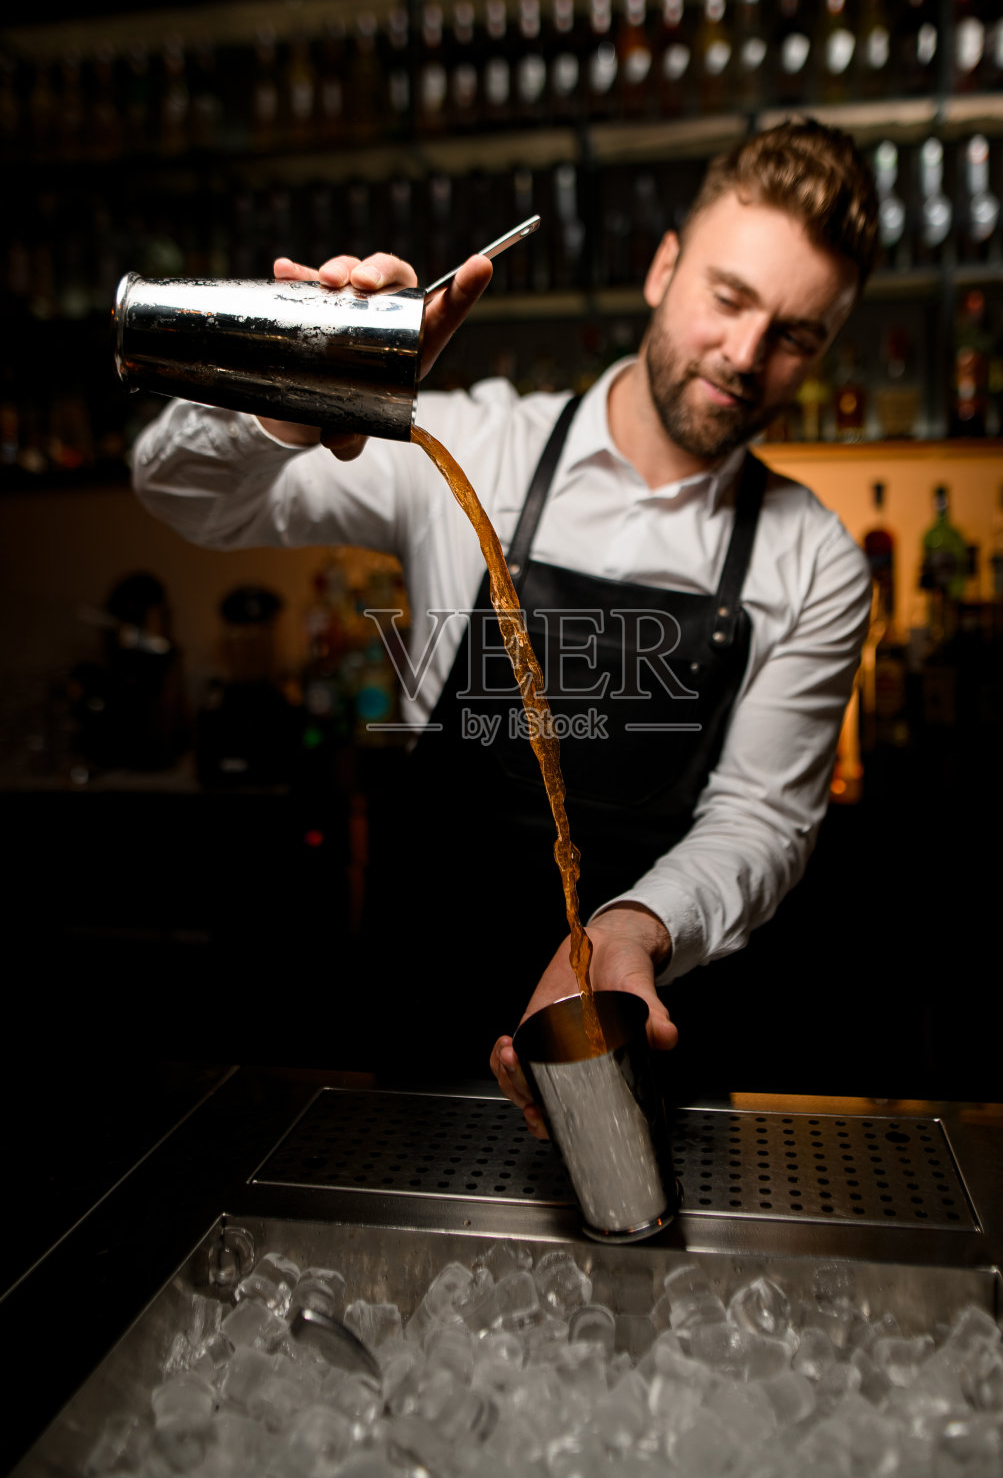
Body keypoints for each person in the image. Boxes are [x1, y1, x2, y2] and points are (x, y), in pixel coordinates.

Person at [133, 119, 877, 1130]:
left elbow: (762, 821)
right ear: (663, 268)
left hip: (640, 1048)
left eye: (794, 334)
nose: (744, 354)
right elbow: (180, 491)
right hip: (420, 1049)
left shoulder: (815, 558)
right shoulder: (473, 440)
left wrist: (622, 933)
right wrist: (305, 380)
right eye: (728, 297)